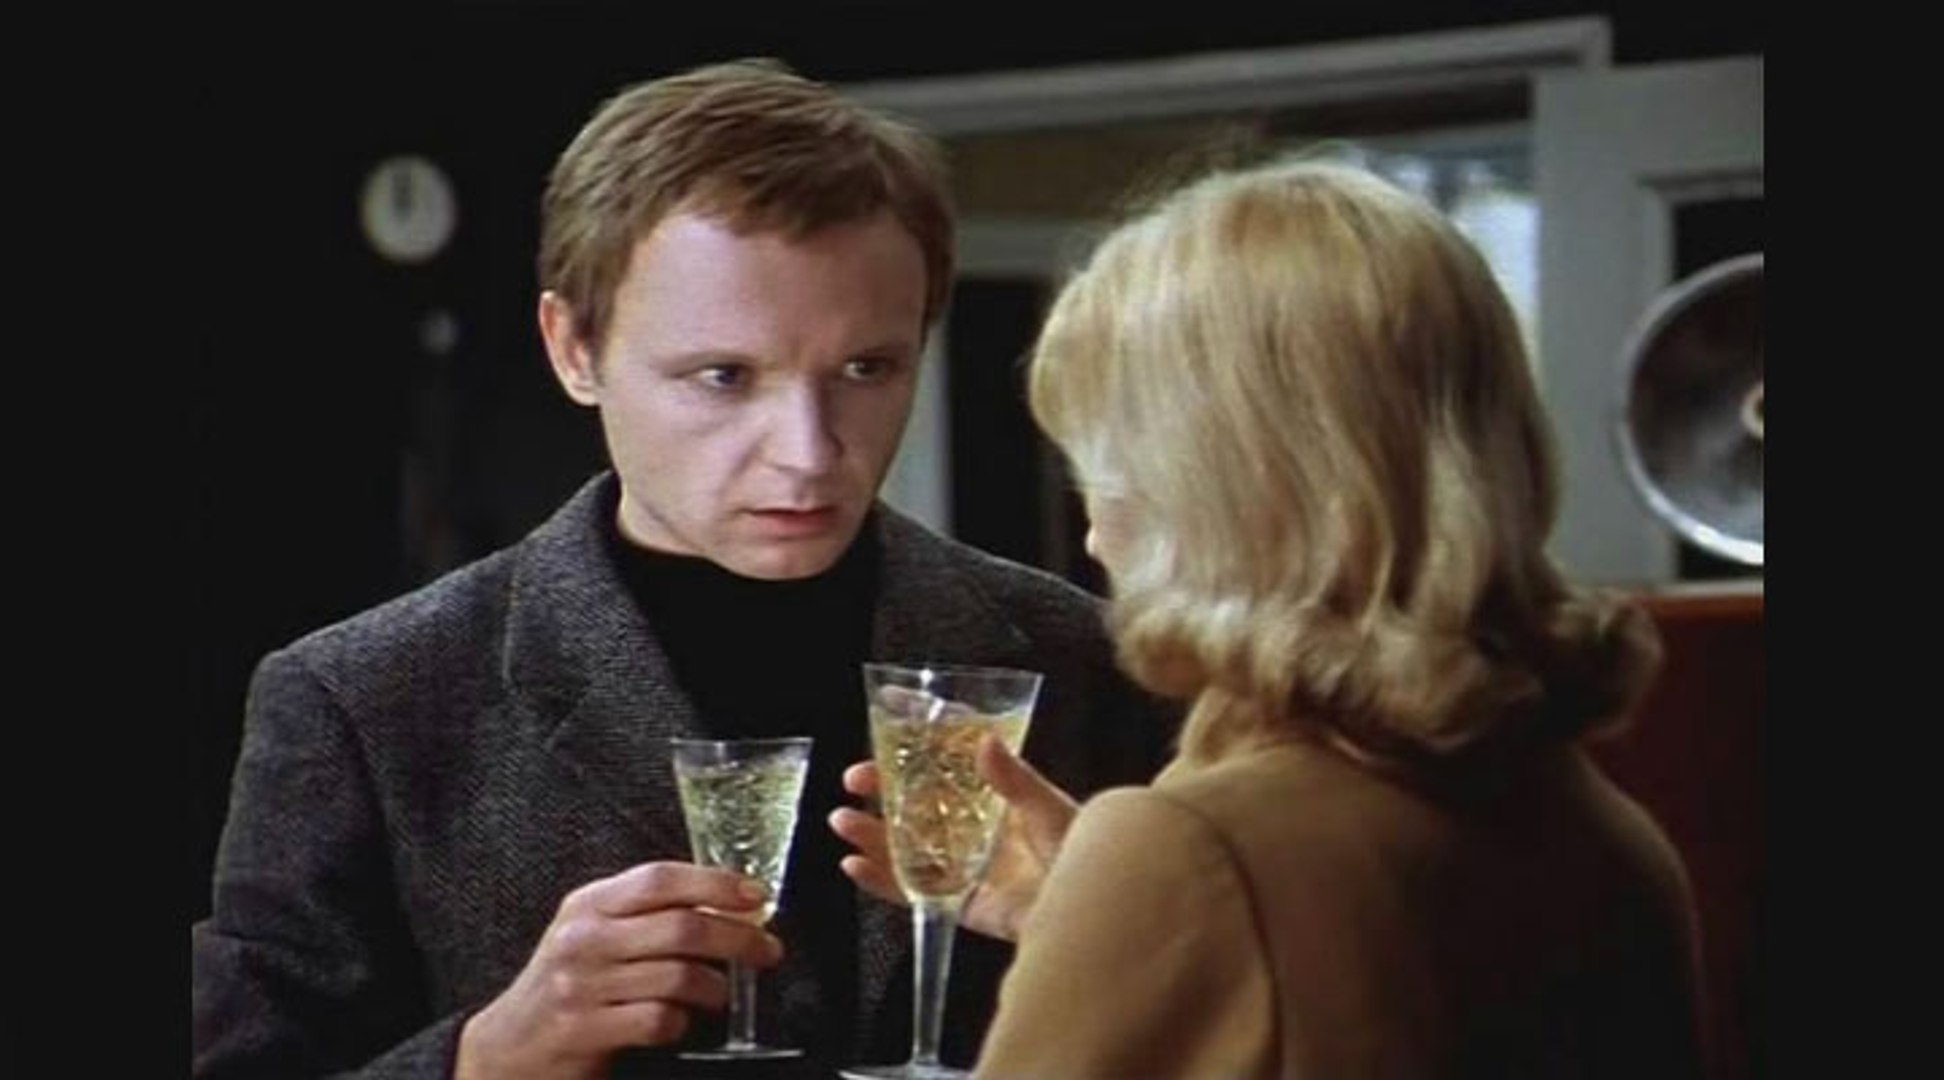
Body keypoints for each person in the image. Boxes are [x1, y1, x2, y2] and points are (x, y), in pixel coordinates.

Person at [190, 58, 1176, 1079]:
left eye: (866, 368)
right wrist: (484, 1056)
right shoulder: (365, 704)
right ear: (573, 349)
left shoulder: (1089, 662)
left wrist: (1129, 939)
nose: (807, 450)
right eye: (724, 376)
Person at [837, 158, 1710, 1078]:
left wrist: (1141, 893)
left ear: (1225, 492)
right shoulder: (1613, 838)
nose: (1095, 535)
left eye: (1114, 474)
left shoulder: (1193, 848)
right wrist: (1090, 920)